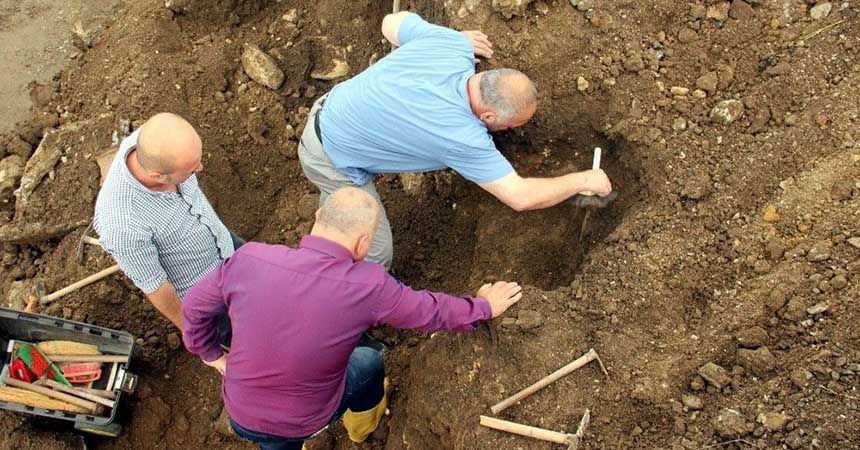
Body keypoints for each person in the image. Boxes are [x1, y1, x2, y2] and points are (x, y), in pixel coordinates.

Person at [182, 187, 523, 450]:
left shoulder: (250, 259)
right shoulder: (367, 284)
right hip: (304, 418)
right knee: (369, 361)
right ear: (362, 242)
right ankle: (362, 429)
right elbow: (429, 311)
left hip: (240, 412)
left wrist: (212, 354)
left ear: (318, 216)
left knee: (274, 442)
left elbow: (194, 308)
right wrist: (483, 307)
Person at [298, 11, 613, 269]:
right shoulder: (462, 138)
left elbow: (390, 23)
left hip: (330, 109)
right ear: (489, 117)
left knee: (339, 220)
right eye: (508, 126)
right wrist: (584, 179)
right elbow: (520, 195)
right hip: (330, 157)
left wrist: (453, 38)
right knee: (374, 254)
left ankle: (321, 245)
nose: (506, 133)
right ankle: (341, 297)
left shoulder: (451, 46)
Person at [94, 113, 243, 334]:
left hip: (225, 245)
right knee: (250, 338)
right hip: (212, 300)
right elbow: (156, 288)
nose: (201, 168)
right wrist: (195, 334)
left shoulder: (155, 140)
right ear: (158, 176)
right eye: (191, 170)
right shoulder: (122, 225)